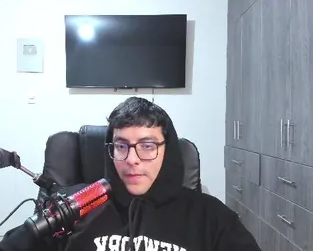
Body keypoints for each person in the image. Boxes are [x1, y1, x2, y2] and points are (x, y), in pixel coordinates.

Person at [0, 97, 260, 251]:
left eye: (147, 146)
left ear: (167, 150)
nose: (132, 160)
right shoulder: (75, 205)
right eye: (121, 146)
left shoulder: (210, 216)